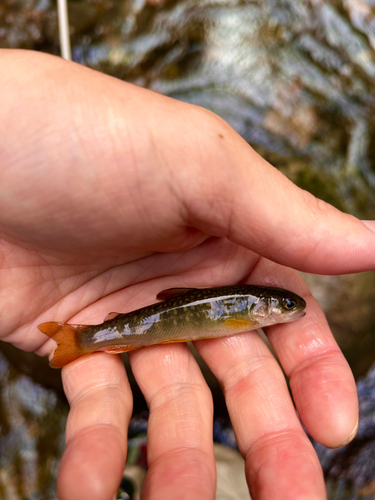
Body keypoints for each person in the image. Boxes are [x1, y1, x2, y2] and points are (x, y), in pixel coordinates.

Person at [1, 49, 374, 500]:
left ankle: (119, 405)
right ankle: (85, 345)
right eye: (285, 306)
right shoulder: (247, 313)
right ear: (261, 308)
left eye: (289, 306)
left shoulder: (248, 308)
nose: (290, 309)